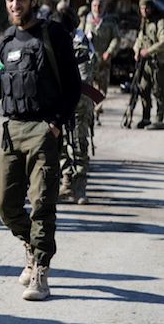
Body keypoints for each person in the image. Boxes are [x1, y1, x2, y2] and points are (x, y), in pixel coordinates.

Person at [0, 0, 81, 300]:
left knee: (43, 202)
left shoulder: (52, 34)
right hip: (12, 130)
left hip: (43, 130)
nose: (15, 4)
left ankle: (40, 272)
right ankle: (32, 246)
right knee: (5, 204)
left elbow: (73, 86)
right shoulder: (7, 39)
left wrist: (55, 124)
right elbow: (4, 83)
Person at [59, 26, 96, 205]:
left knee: (79, 144)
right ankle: (66, 182)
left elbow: (83, 80)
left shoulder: (81, 49)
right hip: (61, 105)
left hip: (80, 105)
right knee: (62, 144)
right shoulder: (55, 48)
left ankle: (80, 187)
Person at [83, 0, 119, 124]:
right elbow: (78, 35)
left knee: (102, 90)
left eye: (99, 6)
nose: (96, 8)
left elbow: (116, 38)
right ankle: (91, 113)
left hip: (103, 61)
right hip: (88, 61)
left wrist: (109, 51)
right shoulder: (86, 20)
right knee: (88, 88)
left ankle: (96, 112)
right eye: (94, 6)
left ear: (103, 7)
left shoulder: (109, 22)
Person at [133, 0, 164, 130]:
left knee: (159, 91)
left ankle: (159, 119)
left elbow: (162, 42)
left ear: (152, 8)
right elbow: (139, 39)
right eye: (142, 8)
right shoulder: (144, 23)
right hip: (145, 64)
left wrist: (148, 51)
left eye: (147, 8)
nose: (144, 11)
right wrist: (136, 50)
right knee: (143, 89)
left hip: (158, 62)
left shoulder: (160, 22)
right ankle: (146, 118)